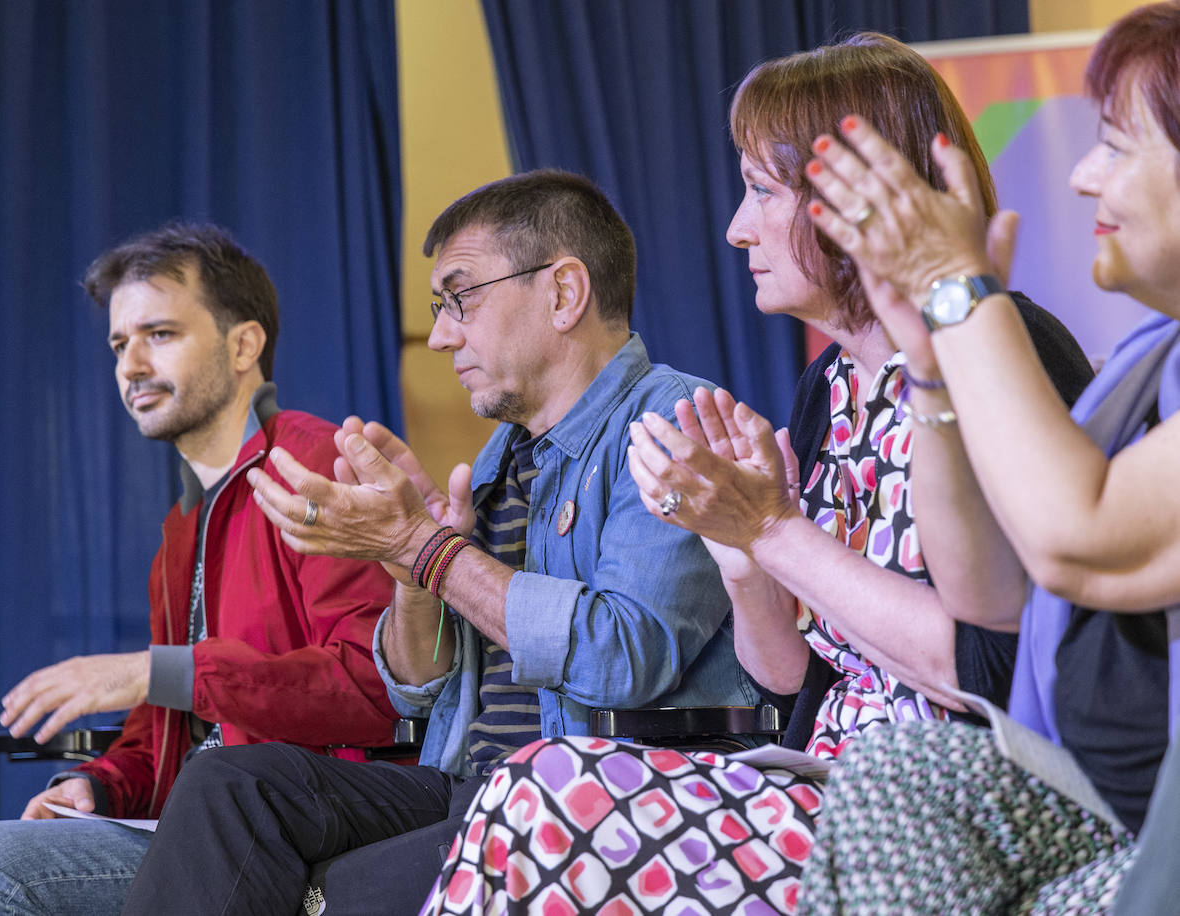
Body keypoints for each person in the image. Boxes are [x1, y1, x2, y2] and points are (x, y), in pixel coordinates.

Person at [414, 34, 1095, 916]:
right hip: (824, 776)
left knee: (542, 798)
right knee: (529, 786)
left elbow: (995, 668)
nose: (737, 227)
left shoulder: (1005, 347)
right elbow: (789, 679)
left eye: (762, 192)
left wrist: (776, 532)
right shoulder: (830, 385)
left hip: (958, 794)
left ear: (853, 202)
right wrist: (738, 551)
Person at [116, 169, 758, 916]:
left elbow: (622, 657)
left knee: (344, 889)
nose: (445, 332)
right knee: (230, 785)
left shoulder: (672, 423)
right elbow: (415, 685)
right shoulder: (502, 455)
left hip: (594, 788)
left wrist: (431, 552)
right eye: (439, 307)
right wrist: (410, 576)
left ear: (562, 292)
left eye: (461, 297)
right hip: (468, 780)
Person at [0, 223, 399, 915]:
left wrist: (158, 668)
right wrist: (102, 786)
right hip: (187, 824)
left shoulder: (317, 465)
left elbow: (373, 690)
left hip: (285, 834)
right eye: (120, 343)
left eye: (160, 334)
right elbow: (165, 728)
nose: (131, 364)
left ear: (244, 344)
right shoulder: (183, 524)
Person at [796, 2, 1180, 912]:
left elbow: (1076, 538)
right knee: (899, 774)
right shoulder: (1145, 364)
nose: (1086, 175)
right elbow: (997, 601)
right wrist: (931, 375)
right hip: (1092, 806)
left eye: (1119, 145)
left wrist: (957, 291)